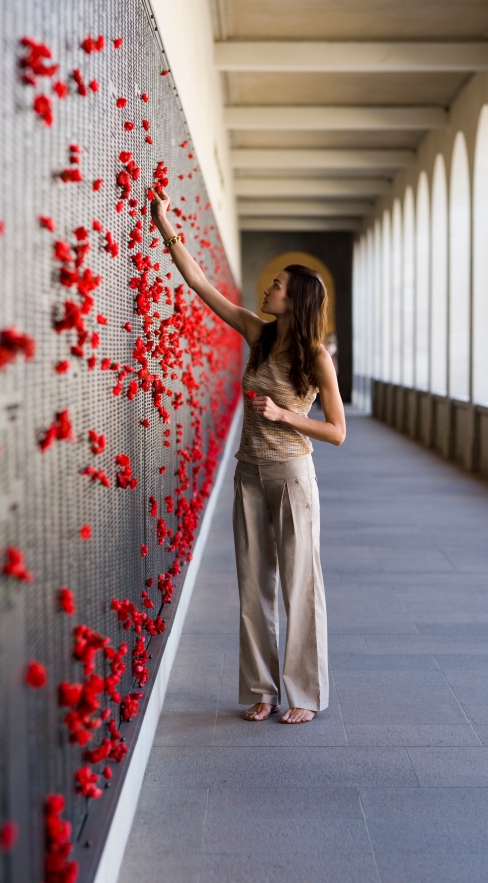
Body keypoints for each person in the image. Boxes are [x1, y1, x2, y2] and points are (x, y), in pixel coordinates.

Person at [150, 188, 346, 724]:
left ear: (296, 300)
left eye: (278, 286)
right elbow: (200, 284)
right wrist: (164, 224)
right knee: (252, 584)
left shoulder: (316, 360)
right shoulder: (257, 336)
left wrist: (285, 416)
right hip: (249, 474)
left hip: (292, 475)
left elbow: (337, 431)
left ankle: (303, 693)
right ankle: (262, 689)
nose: (268, 288)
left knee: (299, 584)